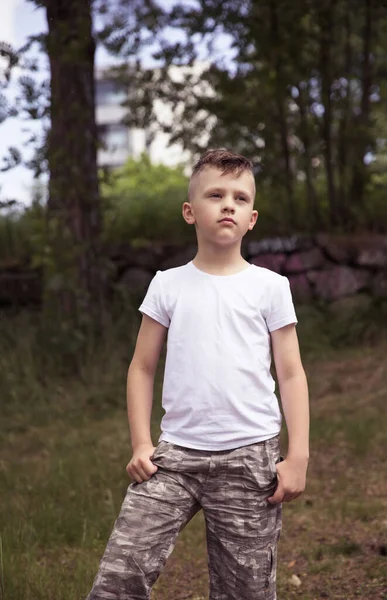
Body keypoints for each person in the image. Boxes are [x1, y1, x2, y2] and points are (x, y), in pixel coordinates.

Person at [86, 148, 309, 600]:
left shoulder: (270, 287)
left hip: (250, 460)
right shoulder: (167, 284)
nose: (229, 204)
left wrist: (298, 455)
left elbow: (291, 373)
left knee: (243, 592)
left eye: (240, 198)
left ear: (252, 218)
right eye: (216, 194)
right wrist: (141, 443)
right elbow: (141, 367)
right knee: (118, 578)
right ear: (190, 212)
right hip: (175, 459)